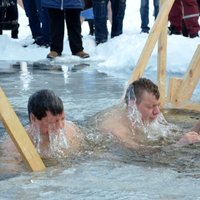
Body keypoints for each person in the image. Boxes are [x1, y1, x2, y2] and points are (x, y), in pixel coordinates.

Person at [96, 78, 200, 149]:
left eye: (158, 105)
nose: (157, 112)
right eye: (150, 107)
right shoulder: (117, 129)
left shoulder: (139, 117)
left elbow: (171, 136)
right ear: (133, 105)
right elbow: (141, 155)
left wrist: (197, 127)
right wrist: (178, 145)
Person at [26, 89, 83, 157]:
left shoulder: (72, 133)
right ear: (33, 119)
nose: (60, 127)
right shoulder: (16, 146)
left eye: (62, 119)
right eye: (52, 122)